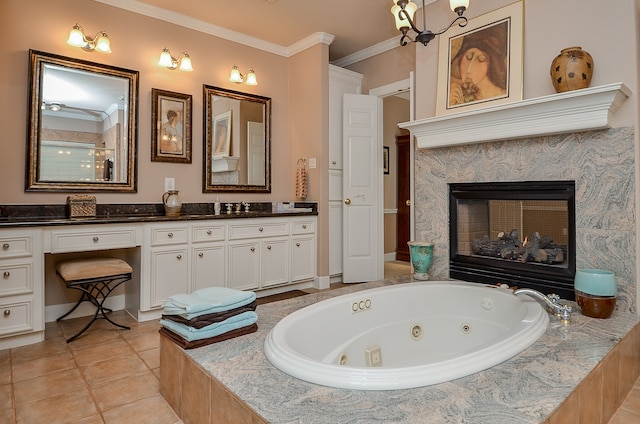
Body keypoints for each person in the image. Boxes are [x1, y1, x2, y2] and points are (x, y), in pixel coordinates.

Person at [448, 21, 508, 107]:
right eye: (468, 57)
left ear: (491, 65)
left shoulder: (502, 95)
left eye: (481, 59)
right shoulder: (455, 92)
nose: (469, 69)